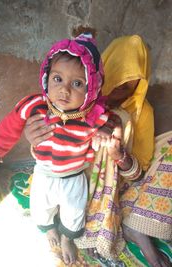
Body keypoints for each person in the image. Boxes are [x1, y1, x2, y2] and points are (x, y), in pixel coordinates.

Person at [23, 34, 172, 267]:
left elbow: (137, 174)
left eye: (128, 86)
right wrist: (34, 140)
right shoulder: (75, 101)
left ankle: (134, 228)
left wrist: (119, 156)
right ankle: (75, 224)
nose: (118, 91)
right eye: (116, 80)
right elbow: (50, 142)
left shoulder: (142, 113)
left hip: (117, 186)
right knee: (53, 198)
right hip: (72, 175)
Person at [0, 29, 125, 265]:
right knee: (40, 207)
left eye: (77, 83)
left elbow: (107, 126)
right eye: (57, 79)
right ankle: (49, 229)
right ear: (46, 77)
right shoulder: (36, 105)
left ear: (91, 90)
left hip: (74, 175)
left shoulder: (93, 115)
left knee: (74, 214)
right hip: (44, 172)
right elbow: (12, 122)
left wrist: (102, 132)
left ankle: (68, 238)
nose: (64, 90)